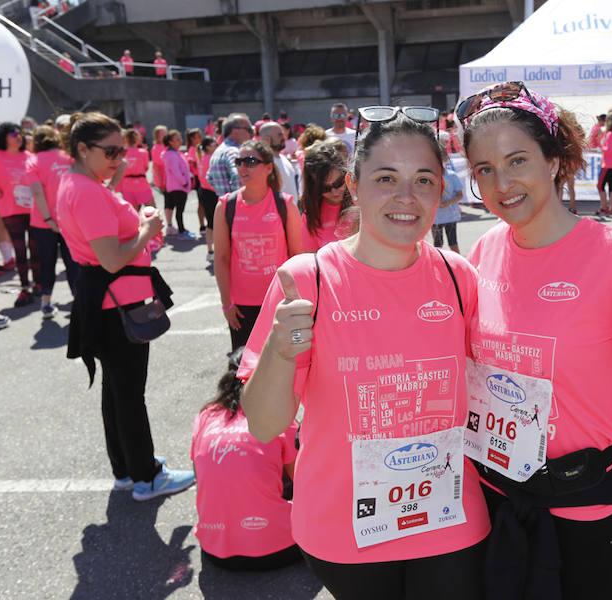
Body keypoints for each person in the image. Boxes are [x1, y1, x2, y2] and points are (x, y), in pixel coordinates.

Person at [458, 80, 612, 599]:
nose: (502, 182)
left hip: (585, 502)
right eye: (484, 169)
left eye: (518, 160)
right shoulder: (482, 254)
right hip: (497, 496)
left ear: (554, 159)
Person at [239, 105, 489, 600]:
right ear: (353, 184)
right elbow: (265, 425)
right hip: (345, 530)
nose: (406, 197)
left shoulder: (460, 277)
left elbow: (494, 380)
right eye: (385, 178)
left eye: (423, 180)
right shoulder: (305, 280)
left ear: (442, 189)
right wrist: (280, 349)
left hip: (450, 516)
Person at [57, 112, 195, 500]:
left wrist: (136, 222)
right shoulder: (85, 190)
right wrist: (147, 230)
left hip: (105, 300)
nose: (120, 158)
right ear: (83, 149)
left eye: (124, 150)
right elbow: (112, 258)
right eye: (112, 151)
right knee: (129, 392)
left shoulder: (78, 182)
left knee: (116, 390)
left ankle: (128, 468)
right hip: (116, 303)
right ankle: (146, 475)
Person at [192, 346, 302, 571]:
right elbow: (304, 483)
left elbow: (200, 474)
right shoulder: (280, 420)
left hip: (215, 549)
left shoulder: (206, 415)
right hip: (278, 549)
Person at [214, 140, 302, 351]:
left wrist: (296, 301)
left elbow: (297, 257)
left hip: (278, 303)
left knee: (282, 369)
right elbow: (221, 258)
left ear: (268, 167)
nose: (243, 167)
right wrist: (227, 303)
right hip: (242, 307)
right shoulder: (226, 205)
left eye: (251, 161)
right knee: (245, 371)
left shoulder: (285, 204)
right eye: (239, 162)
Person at [26, 125, 77, 318]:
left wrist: (48, 219)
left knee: (47, 262)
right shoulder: (69, 157)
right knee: (74, 261)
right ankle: (78, 299)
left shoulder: (34, 161)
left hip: (42, 221)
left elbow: (37, 192)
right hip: (70, 219)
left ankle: (46, 302)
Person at [0, 122, 39, 307]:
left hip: (33, 209)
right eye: (13, 133)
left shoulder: (29, 156)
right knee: (19, 250)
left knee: (35, 248)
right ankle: (25, 287)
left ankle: (38, 284)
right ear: (3, 137)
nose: (18, 136)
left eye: (20, 133)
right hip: (10, 210)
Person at [298, 141, 351, 252]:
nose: (335, 192)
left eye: (338, 183)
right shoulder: (312, 214)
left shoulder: (362, 201)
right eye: (325, 188)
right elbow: (311, 258)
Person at [206, 113, 252, 197]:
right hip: (239, 207)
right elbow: (238, 177)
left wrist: (224, 194)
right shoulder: (234, 151)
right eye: (248, 129)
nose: (252, 133)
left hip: (225, 205)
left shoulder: (218, 150)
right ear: (235, 131)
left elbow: (209, 178)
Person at [432, 132, 463, 252]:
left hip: (450, 216)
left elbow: (460, 195)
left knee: (453, 243)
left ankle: (459, 267)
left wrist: (447, 202)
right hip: (436, 217)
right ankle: (437, 267)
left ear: (445, 158)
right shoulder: (429, 177)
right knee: (437, 246)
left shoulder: (452, 176)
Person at [162, 130, 195, 240]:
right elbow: (175, 171)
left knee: (178, 210)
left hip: (175, 186)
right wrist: (184, 183)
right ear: (170, 142)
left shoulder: (174, 153)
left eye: (180, 138)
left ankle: (181, 230)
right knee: (179, 211)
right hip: (178, 187)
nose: (180, 141)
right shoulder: (171, 155)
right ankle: (181, 231)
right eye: (177, 139)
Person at [259, 121, 299, 201]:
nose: (284, 138)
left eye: (283, 134)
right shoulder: (264, 164)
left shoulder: (284, 159)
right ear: (267, 140)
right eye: (280, 135)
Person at [118, 129, 154, 209]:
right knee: (152, 209)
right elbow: (146, 167)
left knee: (134, 212)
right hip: (141, 182)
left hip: (127, 184)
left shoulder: (121, 153)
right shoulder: (143, 152)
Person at [197, 136, 219, 262]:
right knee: (214, 223)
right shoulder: (211, 159)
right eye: (212, 143)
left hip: (203, 192)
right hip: (211, 193)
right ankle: (214, 250)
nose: (215, 144)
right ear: (207, 147)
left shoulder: (202, 158)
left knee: (210, 223)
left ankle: (210, 250)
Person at [150, 125, 167, 193]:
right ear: (157, 136)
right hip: (163, 180)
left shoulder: (167, 146)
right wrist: (160, 183)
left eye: (165, 133)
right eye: (162, 134)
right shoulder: (156, 148)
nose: (165, 135)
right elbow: (156, 166)